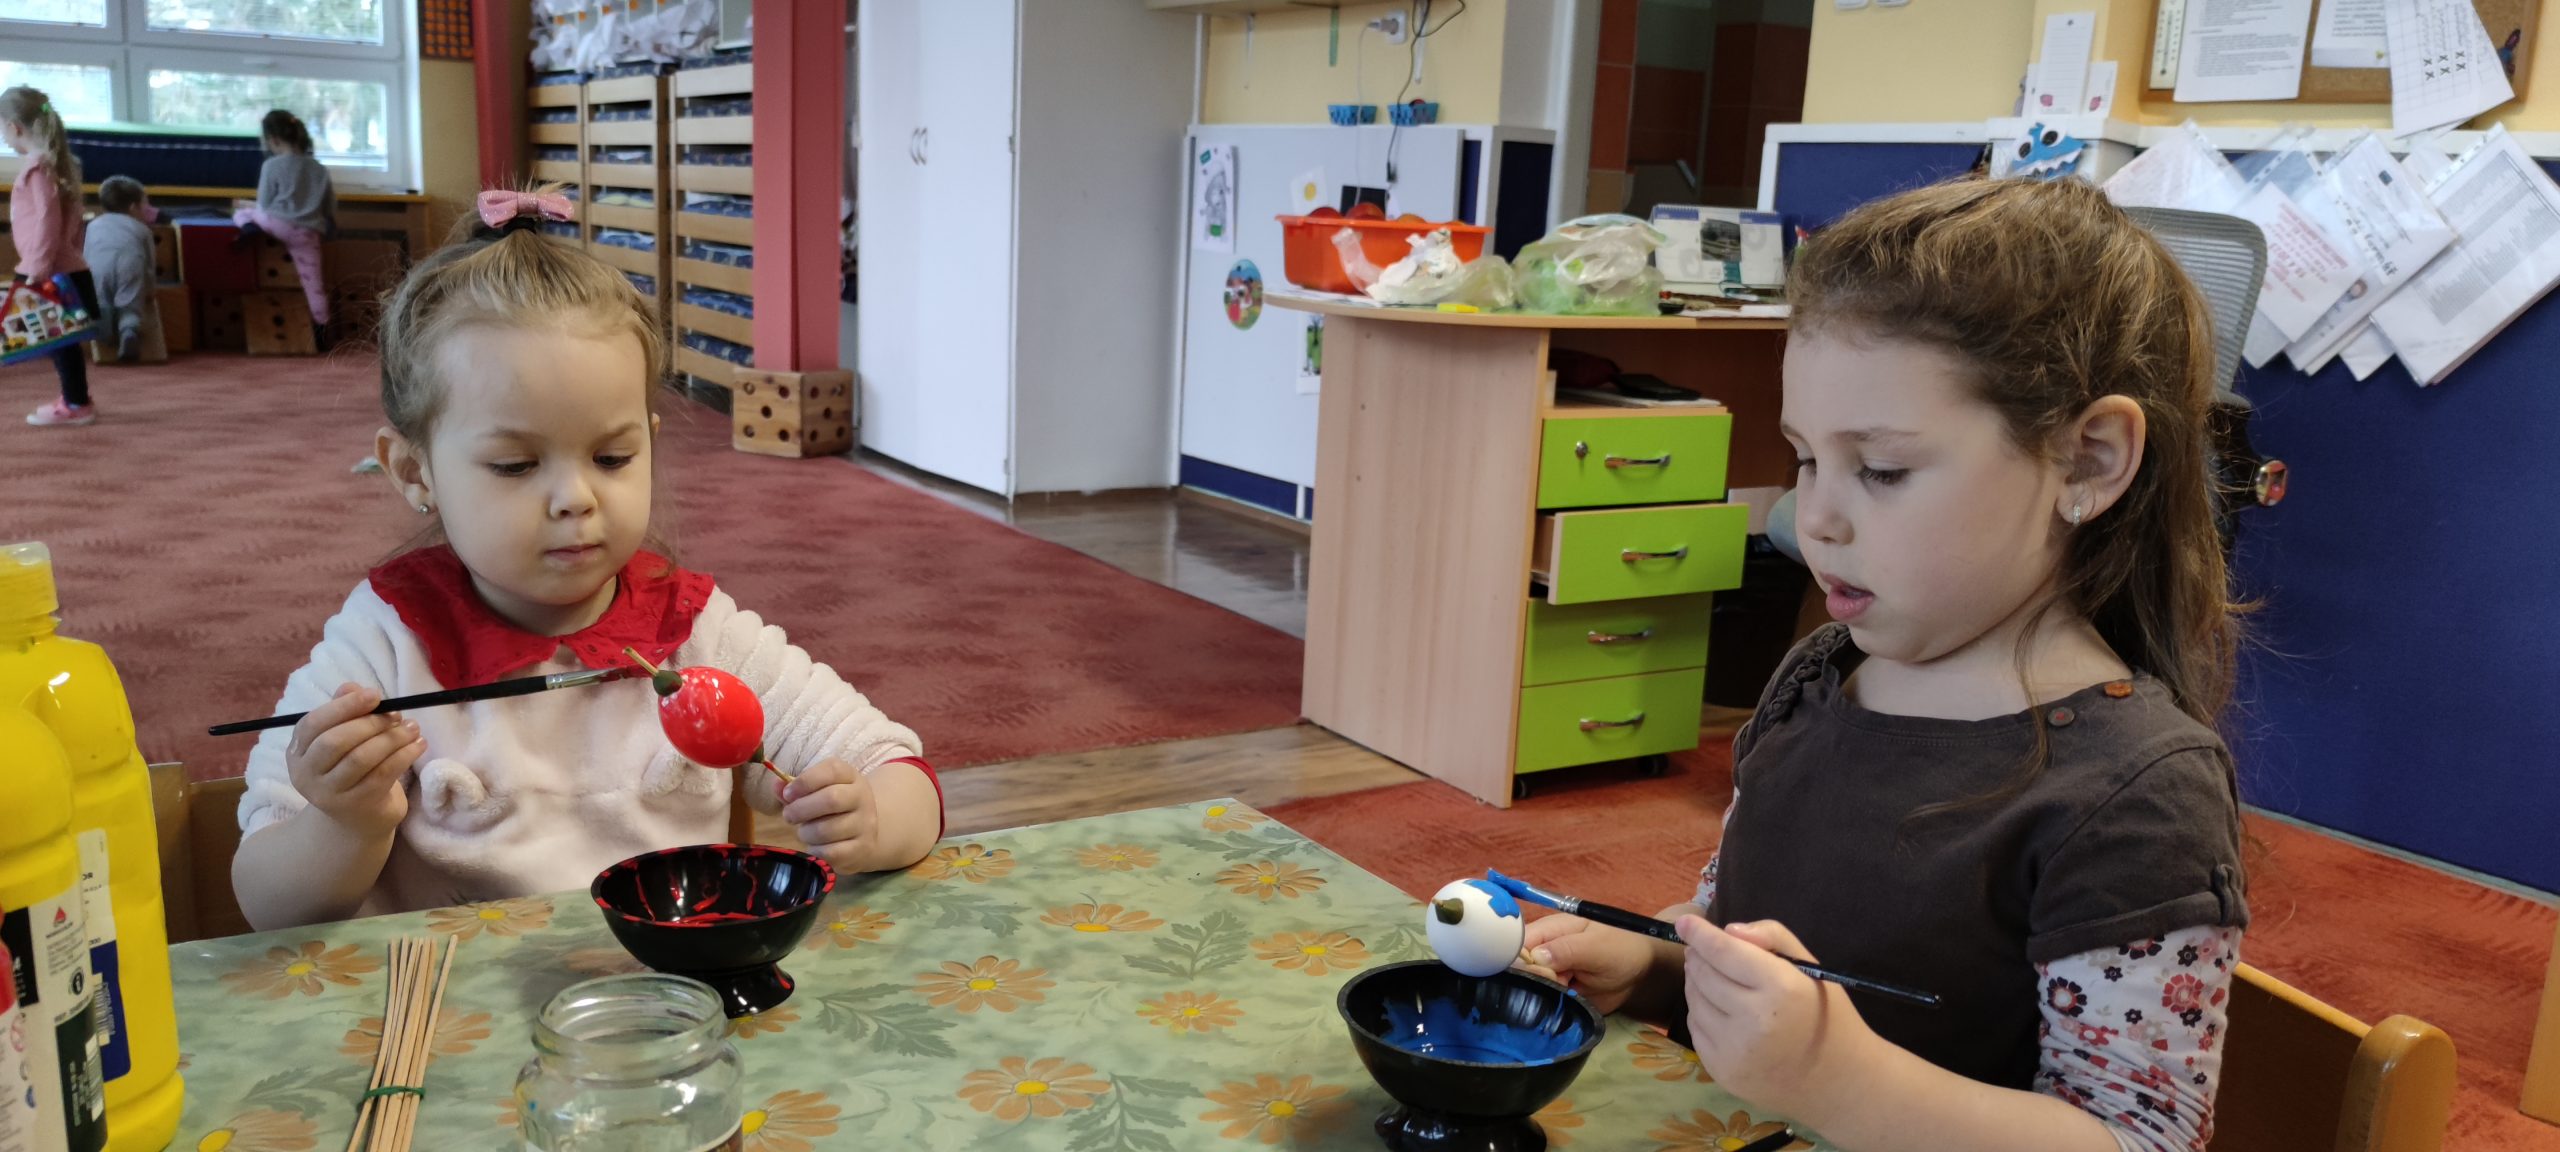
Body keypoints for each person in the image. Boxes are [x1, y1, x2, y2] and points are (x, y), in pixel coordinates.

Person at [1520, 177, 2249, 1152]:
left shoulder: (2137, 796)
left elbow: (2142, 1140)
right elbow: (1740, 927)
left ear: (2087, 460)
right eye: (1806, 458)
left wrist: (1835, 1077)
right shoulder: (1818, 676)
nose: (1813, 517)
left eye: (1882, 469)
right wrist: (1657, 964)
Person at [232, 190, 945, 931]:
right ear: (415, 472)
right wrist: (343, 824)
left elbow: (899, 770)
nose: (576, 498)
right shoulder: (382, 645)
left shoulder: (694, 631)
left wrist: (872, 820)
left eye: (612, 457)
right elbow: (268, 904)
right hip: (452, 994)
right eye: (515, 465)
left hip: (666, 990)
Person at [3, 86, 97, 426]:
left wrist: (38, 269)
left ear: (14, 127)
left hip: (46, 270)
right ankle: (75, 399)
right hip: (62, 267)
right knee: (62, 342)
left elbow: (47, 222)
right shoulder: (57, 165)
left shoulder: (38, 169)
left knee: (60, 342)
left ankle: (76, 404)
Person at [233, 109, 336, 332]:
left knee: (242, 210)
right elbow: (329, 207)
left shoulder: (272, 165)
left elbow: (264, 203)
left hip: (277, 224)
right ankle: (322, 328)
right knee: (314, 284)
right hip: (308, 232)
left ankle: (248, 227)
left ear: (273, 140)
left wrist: (247, 205)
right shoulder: (320, 169)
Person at [85, 174, 159, 363]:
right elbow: (149, 264)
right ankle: (128, 331)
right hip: (130, 262)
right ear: (133, 208)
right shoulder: (142, 229)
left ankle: (104, 333)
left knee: (101, 300)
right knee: (130, 303)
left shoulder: (93, 225)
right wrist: (150, 289)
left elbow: (86, 254)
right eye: (144, 205)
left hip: (98, 266)